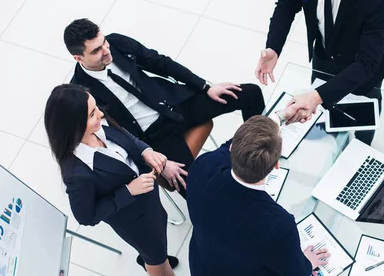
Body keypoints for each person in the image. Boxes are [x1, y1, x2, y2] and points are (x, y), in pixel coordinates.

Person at [65, 18, 265, 195]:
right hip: (153, 138)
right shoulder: (81, 93)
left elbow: (160, 63)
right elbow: (111, 135)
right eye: (96, 50)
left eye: (103, 42)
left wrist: (205, 86)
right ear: (78, 58)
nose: (106, 51)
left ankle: (262, 151)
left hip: (173, 105)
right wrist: (158, 161)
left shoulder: (116, 42)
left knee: (251, 94)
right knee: (197, 189)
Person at [255, 0, 384, 145]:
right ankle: (334, 132)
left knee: (363, 114)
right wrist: (273, 47)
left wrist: (316, 97)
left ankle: (362, 142)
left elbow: (367, 64)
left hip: (362, 66)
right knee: (327, 107)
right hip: (324, 55)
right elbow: (288, 4)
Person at [44, 84, 183, 275]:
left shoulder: (100, 124)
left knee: (157, 246)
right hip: (136, 222)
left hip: (150, 202)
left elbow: (128, 139)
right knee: (158, 262)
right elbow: (86, 217)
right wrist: (128, 191)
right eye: (92, 113)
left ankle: (152, 258)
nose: (100, 114)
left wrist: (145, 151)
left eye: (96, 108)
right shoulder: (77, 173)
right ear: (74, 125)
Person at [186, 109, 330, 276]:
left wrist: (280, 117)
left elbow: (228, 146)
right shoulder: (279, 224)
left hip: (203, 263)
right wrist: (307, 262)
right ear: (276, 165)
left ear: (232, 148)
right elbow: (296, 272)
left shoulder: (204, 165)